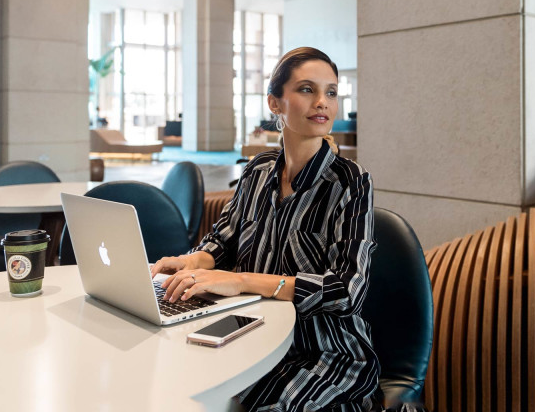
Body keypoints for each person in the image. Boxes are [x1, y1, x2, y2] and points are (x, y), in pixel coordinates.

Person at [151, 47, 381, 411]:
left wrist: (241, 281)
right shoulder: (258, 171)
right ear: (275, 103)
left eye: (332, 92)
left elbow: (346, 290)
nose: (323, 102)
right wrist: (191, 261)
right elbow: (223, 239)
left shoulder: (350, 182)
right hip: (249, 331)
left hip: (321, 351)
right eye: (307, 89)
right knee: (172, 383)